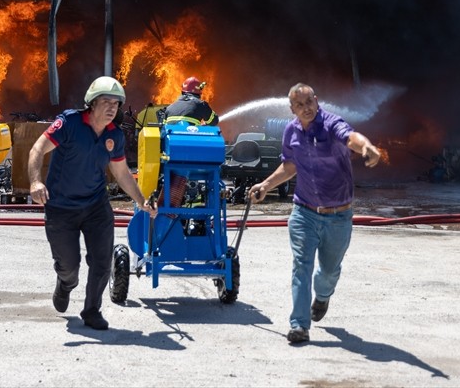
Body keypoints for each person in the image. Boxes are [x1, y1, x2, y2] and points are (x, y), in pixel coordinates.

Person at [248, 83, 381, 344]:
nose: (306, 108)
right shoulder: (291, 132)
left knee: (329, 272)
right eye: (300, 105)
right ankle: (299, 325)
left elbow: (350, 136)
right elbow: (289, 166)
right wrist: (265, 185)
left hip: (338, 214)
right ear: (292, 109)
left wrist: (366, 146)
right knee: (301, 266)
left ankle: (322, 297)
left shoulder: (331, 124)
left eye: (309, 102)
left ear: (316, 100)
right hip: (304, 212)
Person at [28, 76, 156, 331]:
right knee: (69, 267)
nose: (112, 108)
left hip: (96, 206)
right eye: (106, 101)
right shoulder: (69, 123)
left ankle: (91, 310)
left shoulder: (114, 136)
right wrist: (35, 182)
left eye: (116, 104)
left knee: (101, 259)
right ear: (92, 103)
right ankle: (65, 283)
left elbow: (121, 174)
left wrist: (142, 201)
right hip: (61, 207)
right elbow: (37, 150)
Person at [161, 76, 219, 208]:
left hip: (168, 157)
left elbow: (163, 132)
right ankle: (196, 204)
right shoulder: (200, 104)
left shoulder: (170, 107)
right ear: (199, 92)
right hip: (190, 156)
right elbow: (214, 121)